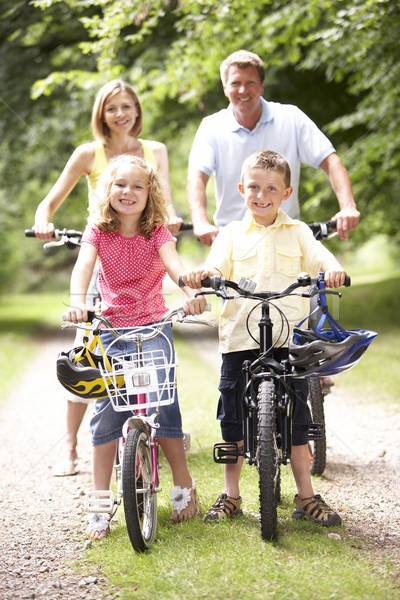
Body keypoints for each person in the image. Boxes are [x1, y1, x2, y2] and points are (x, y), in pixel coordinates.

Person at [181, 150, 345, 526]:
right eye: (254, 187)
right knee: (233, 415)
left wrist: (333, 270)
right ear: (241, 189)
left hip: (288, 337)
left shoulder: (299, 231)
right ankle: (232, 494)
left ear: (286, 193)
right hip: (240, 336)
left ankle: (305, 496)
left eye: (272, 188)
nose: (262, 195)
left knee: (299, 418)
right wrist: (201, 276)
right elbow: (215, 266)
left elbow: (322, 258)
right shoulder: (231, 234)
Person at [33, 79, 183, 476]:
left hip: (146, 249)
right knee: (88, 360)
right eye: (112, 107)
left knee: (151, 367)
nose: (121, 114)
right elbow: (51, 201)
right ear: (102, 113)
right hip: (103, 264)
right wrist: (43, 222)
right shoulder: (89, 153)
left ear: (137, 110)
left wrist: (170, 219)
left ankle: (143, 441)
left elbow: (163, 194)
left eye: (127, 106)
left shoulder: (154, 151)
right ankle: (70, 447)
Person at [64, 154, 206, 539]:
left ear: (150, 194)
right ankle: (99, 498)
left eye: (137, 186)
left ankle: (182, 484)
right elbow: (83, 266)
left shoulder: (156, 230)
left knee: (164, 399)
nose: (128, 192)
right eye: (120, 184)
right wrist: (79, 302)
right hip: (110, 329)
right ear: (108, 190)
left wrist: (191, 292)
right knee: (107, 410)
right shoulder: (97, 229)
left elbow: (175, 267)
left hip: (154, 327)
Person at [187, 49, 360, 246]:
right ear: (225, 87)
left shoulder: (291, 117)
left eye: (250, 83)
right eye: (236, 83)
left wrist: (347, 207)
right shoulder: (211, 127)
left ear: (261, 86)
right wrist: (200, 222)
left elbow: (331, 161)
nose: (243, 90)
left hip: (286, 236)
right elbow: (197, 178)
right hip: (232, 241)